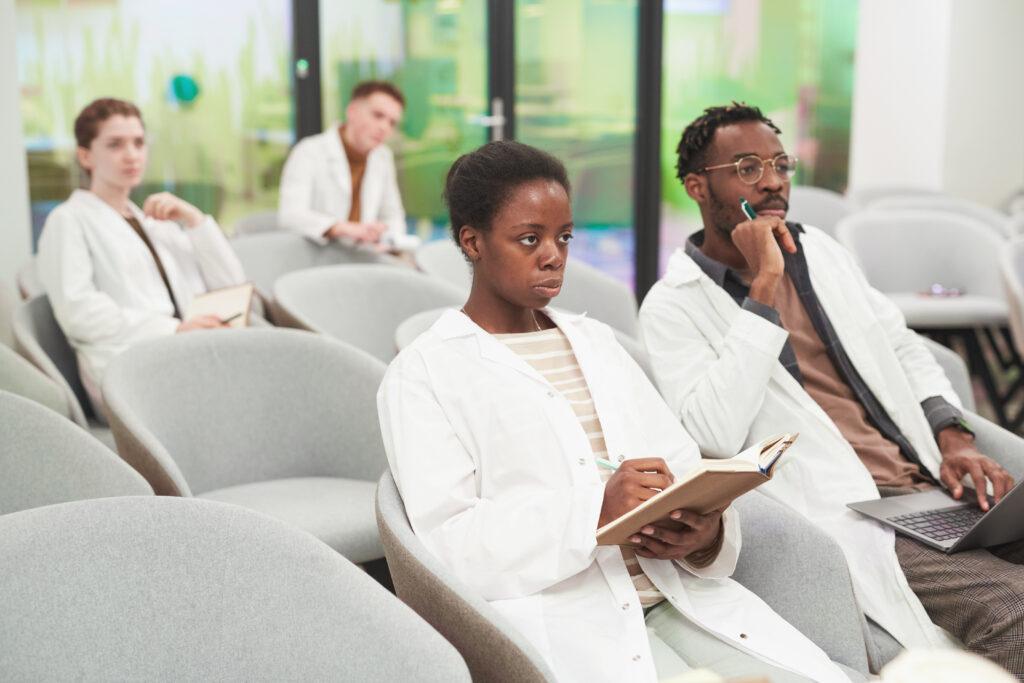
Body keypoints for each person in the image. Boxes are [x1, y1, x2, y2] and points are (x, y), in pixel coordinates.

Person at [377, 141, 856, 682]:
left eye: (563, 237)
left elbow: (679, 464)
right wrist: (597, 512)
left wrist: (705, 532)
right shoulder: (424, 374)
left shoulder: (597, 343)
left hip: (681, 601)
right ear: (473, 242)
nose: (553, 255)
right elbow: (450, 551)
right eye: (529, 239)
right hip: (575, 625)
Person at [639, 102, 1024, 674]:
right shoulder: (673, 305)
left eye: (779, 164)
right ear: (699, 186)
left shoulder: (820, 251)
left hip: (928, 484)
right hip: (859, 511)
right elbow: (712, 433)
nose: (772, 182)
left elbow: (901, 345)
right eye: (747, 167)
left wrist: (954, 436)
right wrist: (762, 288)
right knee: (1014, 611)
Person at [36, 97, 247, 417]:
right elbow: (79, 313)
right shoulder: (69, 220)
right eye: (115, 144)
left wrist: (194, 220)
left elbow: (231, 285)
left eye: (138, 143)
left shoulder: (153, 221)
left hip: (182, 353)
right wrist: (173, 329)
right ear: (85, 156)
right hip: (128, 369)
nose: (132, 154)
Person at [278, 80, 417, 250]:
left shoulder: (382, 157)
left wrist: (388, 240)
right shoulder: (309, 151)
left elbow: (392, 214)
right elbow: (291, 215)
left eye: (392, 123)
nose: (384, 127)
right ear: (352, 111)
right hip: (315, 256)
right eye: (378, 115)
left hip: (363, 254)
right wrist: (344, 229)